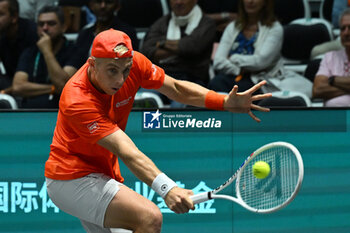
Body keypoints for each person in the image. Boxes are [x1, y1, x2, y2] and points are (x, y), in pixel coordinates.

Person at [44, 29, 271, 233]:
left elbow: (175, 88)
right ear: (92, 64)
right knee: (149, 218)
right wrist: (168, 189)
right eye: (112, 71)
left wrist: (223, 101)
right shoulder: (78, 100)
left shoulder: (133, 64)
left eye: (125, 70)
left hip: (102, 173)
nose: (121, 80)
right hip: (71, 178)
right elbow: (126, 150)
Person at [209, 0, 313, 98]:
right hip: (232, 74)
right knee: (215, 84)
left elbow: (260, 62)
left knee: (245, 91)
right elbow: (218, 61)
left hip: (259, 78)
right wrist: (239, 69)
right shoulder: (232, 27)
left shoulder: (274, 28)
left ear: (265, 2)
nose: (250, 1)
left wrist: (233, 57)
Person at [141, 0, 217, 107]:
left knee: (179, 108)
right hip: (161, 77)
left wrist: (161, 43)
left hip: (192, 78)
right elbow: (147, 50)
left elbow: (193, 47)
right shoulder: (162, 22)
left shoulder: (206, 23)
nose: (178, 2)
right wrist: (181, 49)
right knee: (142, 98)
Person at [11, 5, 79, 108]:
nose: (45, 28)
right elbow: (18, 87)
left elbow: (63, 86)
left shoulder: (74, 51)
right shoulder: (30, 52)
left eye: (51, 24)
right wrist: (52, 88)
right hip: (28, 114)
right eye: (41, 24)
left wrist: (47, 51)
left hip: (61, 113)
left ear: (63, 27)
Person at [71, 0, 139, 68]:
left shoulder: (126, 33)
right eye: (98, 2)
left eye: (108, 2)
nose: (102, 6)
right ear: (91, 5)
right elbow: (75, 63)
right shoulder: (85, 33)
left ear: (117, 6)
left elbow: (129, 65)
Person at [312, 8, 350, 107]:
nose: (346, 33)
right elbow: (317, 90)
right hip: (332, 118)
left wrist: (333, 80)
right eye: (343, 28)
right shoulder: (330, 57)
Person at [0, 0, 37, 94]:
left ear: (14, 17)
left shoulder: (33, 33)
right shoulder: (2, 33)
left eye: (0, 14)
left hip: (33, 85)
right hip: (11, 82)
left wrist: (5, 91)